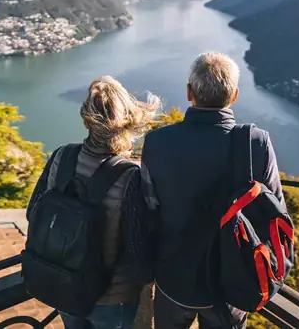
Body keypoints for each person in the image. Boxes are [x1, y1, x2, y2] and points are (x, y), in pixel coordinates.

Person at [141, 52, 284, 329]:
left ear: (189, 93)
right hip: (230, 284)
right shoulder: (256, 143)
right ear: (235, 95)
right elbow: (274, 211)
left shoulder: (157, 142)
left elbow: (149, 207)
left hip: (173, 277)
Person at [27, 76, 158, 329]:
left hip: (63, 284)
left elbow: (34, 212)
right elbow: (136, 245)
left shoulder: (61, 156)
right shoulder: (132, 176)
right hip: (111, 296)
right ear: (128, 122)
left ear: (86, 123)